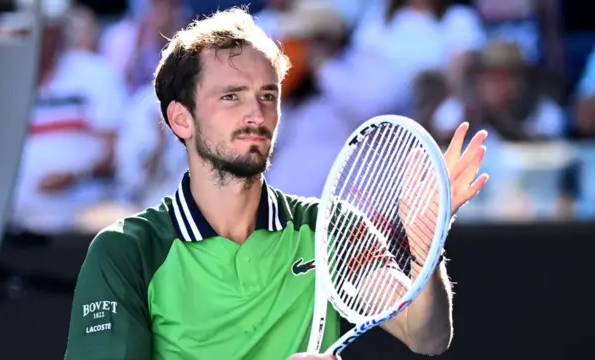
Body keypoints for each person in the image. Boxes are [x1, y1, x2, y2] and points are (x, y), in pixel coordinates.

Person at [64, 8, 488, 360]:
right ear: (181, 118)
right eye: (231, 96)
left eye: (268, 95)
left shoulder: (327, 226)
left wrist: (426, 250)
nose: (256, 114)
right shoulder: (126, 250)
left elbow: (425, 335)